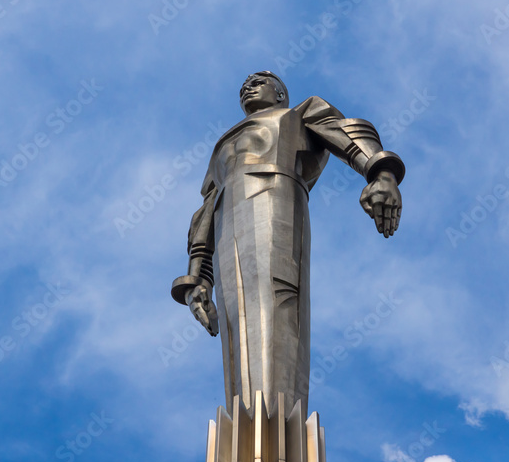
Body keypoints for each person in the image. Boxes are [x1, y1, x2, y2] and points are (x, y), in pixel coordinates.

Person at [171, 71, 404, 414]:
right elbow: (207, 207)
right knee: (237, 323)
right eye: (243, 87)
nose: (247, 88)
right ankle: (248, 423)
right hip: (227, 221)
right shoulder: (221, 147)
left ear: (280, 93)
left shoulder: (296, 115)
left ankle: (277, 420)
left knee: (276, 300)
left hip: (275, 198)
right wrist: (197, 278)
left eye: (258, 82)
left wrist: (380, 174)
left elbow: (346, 132)